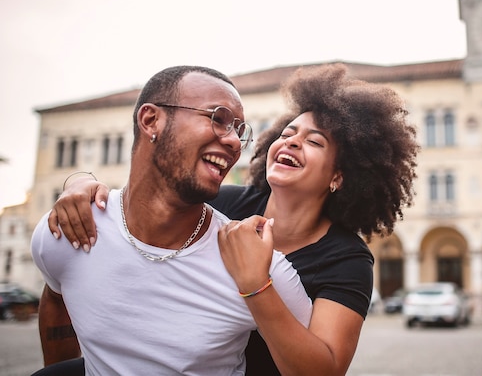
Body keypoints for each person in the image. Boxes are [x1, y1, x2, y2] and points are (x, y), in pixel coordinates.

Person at [49, 64, 420, 375]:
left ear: (339, 176)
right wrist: (81, 183)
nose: (291, 142)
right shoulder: (223, 203)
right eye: (287, 133)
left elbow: (327, 368)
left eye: (314, 141)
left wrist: (256, 284)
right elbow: (144, 201)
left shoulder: (347, 260)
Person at [31, 65, 312, 375]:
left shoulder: (260, 267)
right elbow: (56, 297)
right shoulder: (70, 229)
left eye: (239, 130)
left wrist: (257, 287)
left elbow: (313, 367)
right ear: (151, 120)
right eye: (217, 119)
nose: (234, 142)